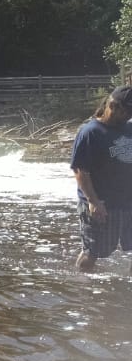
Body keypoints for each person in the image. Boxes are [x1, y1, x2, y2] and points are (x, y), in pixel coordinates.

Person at [70, 85, 132, 272]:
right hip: (103, 203)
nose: (130, 115)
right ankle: (84, 288)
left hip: (128, 202)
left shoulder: (129, 129)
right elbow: (81, 170)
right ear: (113, 106)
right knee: (93, 252)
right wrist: (94, 201)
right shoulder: (91, 132)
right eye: (128, 111)